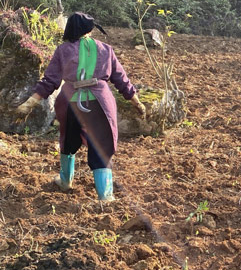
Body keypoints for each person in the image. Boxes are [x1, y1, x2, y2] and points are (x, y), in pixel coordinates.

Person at [15, 12, 145, 201]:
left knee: (68, 140)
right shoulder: (106, 50)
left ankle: (65, 181)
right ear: (89, 30)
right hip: (101, 102)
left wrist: (29, 103)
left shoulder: (63, 50)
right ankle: (105, 195)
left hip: (70, 103)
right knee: (101, 144)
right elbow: (122, 80)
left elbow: (49, 81)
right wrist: (137, 102)